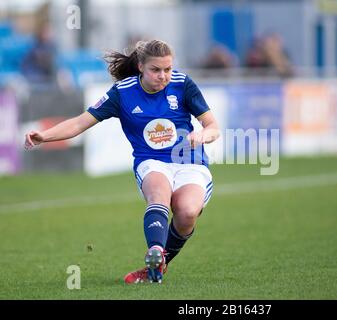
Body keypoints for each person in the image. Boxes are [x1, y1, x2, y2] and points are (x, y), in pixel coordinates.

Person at [24, 40, 220, 284]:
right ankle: (155, 251)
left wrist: (202, 135)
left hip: (190, 161)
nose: (163, 76)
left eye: (168, 69)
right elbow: (78, 123)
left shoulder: (182, 84)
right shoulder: (122, 92)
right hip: (151, 161)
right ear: (140, 66)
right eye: (156, 70)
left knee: (187, 213)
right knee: (158, 195)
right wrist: (45, 136)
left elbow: (213, 127)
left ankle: (159, 264)